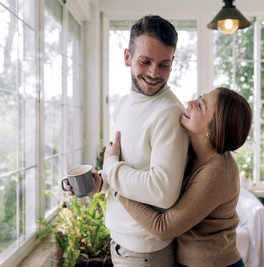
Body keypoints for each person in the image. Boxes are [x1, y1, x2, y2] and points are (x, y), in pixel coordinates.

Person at [66, 15, 189, 267]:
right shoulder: (123, 104)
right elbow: (127, 167)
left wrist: (111, 168)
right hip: (121, 245)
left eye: (164, 65)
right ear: (127, 57)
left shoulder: (169, 112)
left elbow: (162, 191)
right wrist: (100, 181)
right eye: (145, 61)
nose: (154, 73)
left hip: (146, 252)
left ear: (173, 62)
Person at [106, 87, 253, 267]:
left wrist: (117, 187)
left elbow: (164, 228)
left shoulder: (217, 172)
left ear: (212, 131)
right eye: (199, 98)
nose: (190, 103)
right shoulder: (194, 151)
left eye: (200, 106)